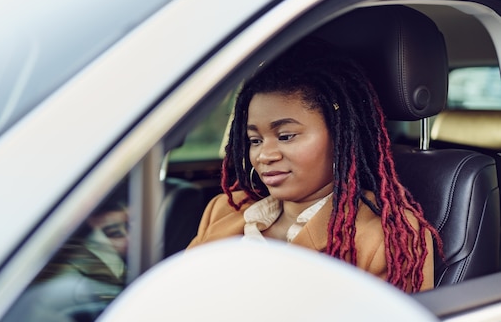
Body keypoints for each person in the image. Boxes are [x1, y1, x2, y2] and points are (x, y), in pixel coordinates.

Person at [187, 38, 440, 293]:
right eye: (255, 140)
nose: (264, 155)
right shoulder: (223, 210)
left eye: (286, 136)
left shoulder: (388, 237)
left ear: (341, 136)